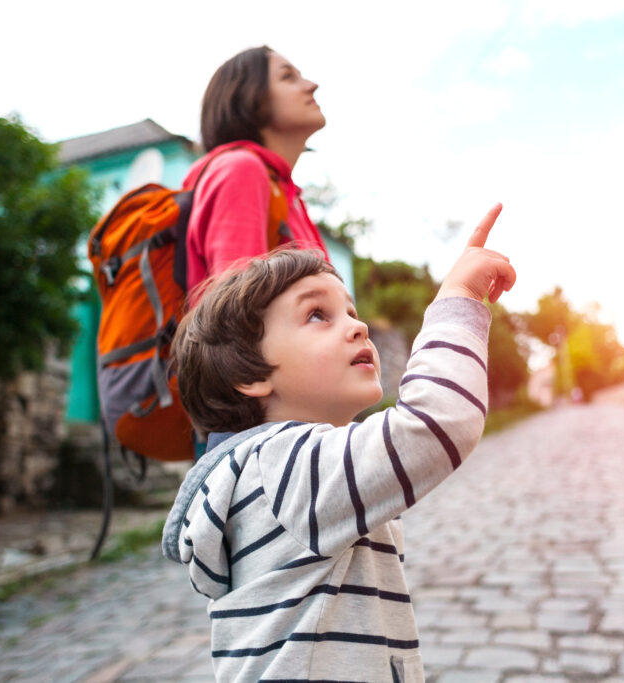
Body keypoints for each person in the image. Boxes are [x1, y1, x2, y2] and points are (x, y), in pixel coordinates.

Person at [162, 205, 516, 682]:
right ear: (250, 374)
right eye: (317, 315)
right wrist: (458, 297)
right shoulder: (284, 467)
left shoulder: (266, 476)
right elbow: (438, 421)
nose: (358, 325)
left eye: (350, 310)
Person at [182, 46, 330, 303]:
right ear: (250, 97)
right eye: (288, 77)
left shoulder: (286, 194)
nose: (312, 85)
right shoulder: (241, 171)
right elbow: (237, 315)